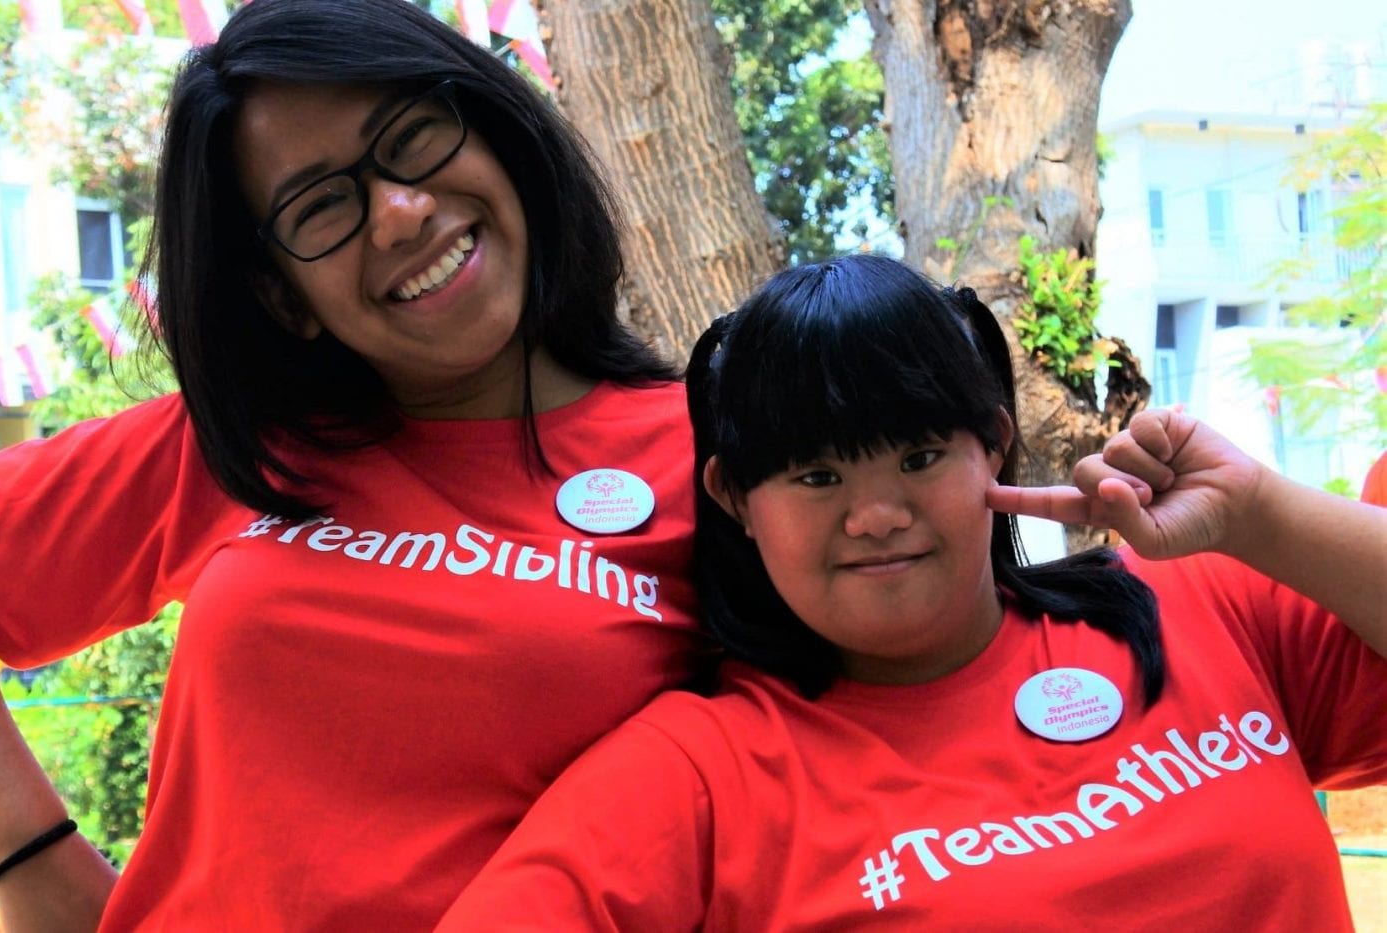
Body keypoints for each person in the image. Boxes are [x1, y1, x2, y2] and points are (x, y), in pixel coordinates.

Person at [0, 0, 710, 929]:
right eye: (322, 204)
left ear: (496, 133)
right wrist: (35, 862)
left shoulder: (724, 458)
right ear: (286, 297)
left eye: (413, 137)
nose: (399, 213)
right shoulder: (248, 444)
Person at [435, 254, 1387, 931]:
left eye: (922, 455)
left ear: (995, 448)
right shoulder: (694, 777)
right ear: (734, 498)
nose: (877, 514)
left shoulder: (1202, 602)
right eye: (817, 476)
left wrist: (1259, 511)